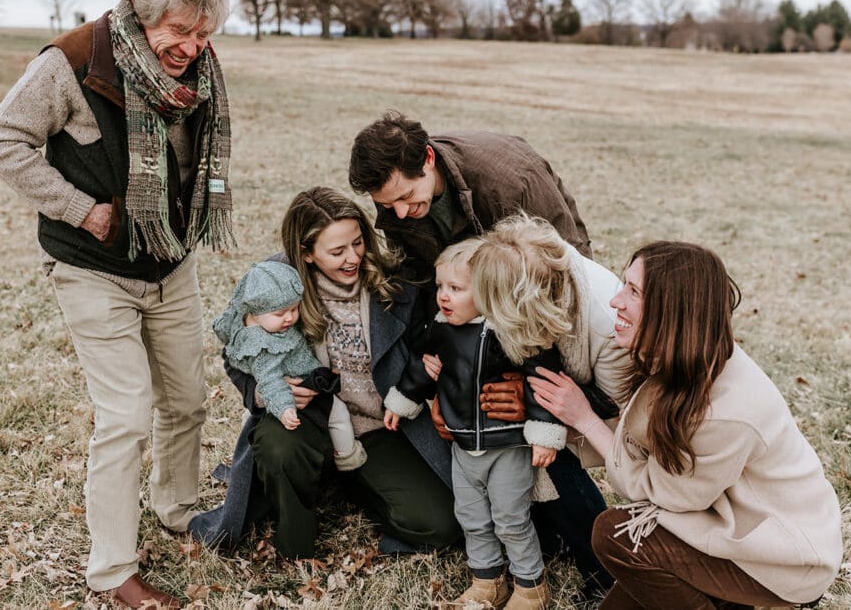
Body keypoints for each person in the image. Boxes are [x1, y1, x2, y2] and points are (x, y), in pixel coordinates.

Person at [0, 0, 232, 608]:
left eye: (204, 34)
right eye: (179, 32)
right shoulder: (68, 64)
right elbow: (1, 142)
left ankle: (178, 507)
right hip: (92, 267)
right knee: (125, 414)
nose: (192, 47)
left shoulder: (200, 69)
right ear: (142, 13)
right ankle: (113, 569)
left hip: (169, 261)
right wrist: (82, 209)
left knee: (186, 397)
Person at [528, 241, 843, 609]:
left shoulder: (725, 411)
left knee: (614, 535)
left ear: (671, 310)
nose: (616, 302)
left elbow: (659, 496)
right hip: (728, 524)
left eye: (633, 292)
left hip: (781, 558)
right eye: (623, 286)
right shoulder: (683, 359)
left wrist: (585, 418)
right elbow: (640, 440)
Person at [189, 187, 463, 558]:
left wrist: (432, 387)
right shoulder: (277, 282)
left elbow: (425, 348)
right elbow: (236, 353)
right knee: (279, 449)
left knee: (440, 524)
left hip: (378, 425)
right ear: (306, 253)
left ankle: (352, 481)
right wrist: (262, 390)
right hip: (306, 417)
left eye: (357, 242)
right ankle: (296, 534)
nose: (352, 257)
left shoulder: (393, 283)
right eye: (337, 251)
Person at [383, 238, 569, 610]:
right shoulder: (440, 329)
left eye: (456, 288)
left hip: (507, 448)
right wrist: (404, 399)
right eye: (440, 287)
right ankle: (487, 580)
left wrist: (544, 433)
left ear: (485, 291)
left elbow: (538, 378)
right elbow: (424, 366)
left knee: (510, 518)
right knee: (470, 516)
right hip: (463, 447)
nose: (444, 297)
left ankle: (531, 586)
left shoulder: (510, 331)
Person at [470, 214, 631, 602]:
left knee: (554, 463)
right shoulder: (511, 286)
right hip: (544, 392)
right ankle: (541, 537)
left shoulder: (603, 318)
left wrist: (530, 396)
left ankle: (602, 572)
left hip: (598, 410)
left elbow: (617, 402)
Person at [348, 109, 592, 286]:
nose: (400, 213)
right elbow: (416, 276)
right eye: (387, 205)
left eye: (407, 196)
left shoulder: (511, 181)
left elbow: (569, 258)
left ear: (428, 159)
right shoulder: (392, 195)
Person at [213, 260, 367, 470]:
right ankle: (347, 457)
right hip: (295, 385)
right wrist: (285, 409)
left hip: (297, 381)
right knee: (338, 413)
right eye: (280, 314)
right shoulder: (262, 347)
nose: (289, 318)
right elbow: (270, 381)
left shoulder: (258, 323)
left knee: (254, 417)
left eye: (294, 309)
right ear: (255, 312)